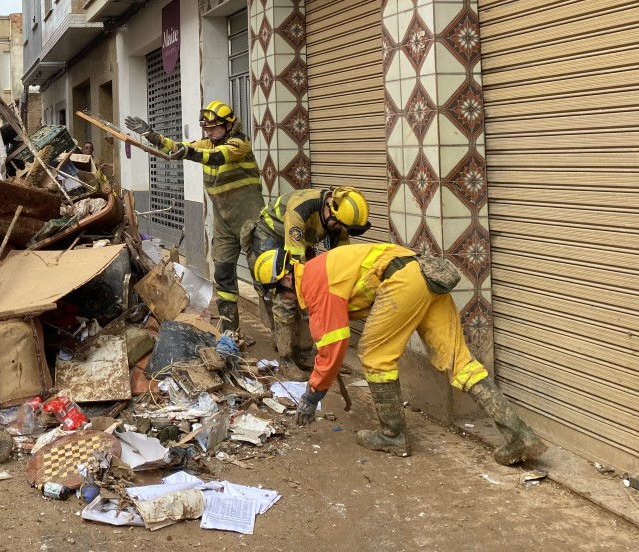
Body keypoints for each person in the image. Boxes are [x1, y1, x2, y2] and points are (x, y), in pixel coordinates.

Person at [270, 242, 545, 465]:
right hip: (425, 274)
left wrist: (312, 395)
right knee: (459, 362)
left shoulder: (315, 283)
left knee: (374, 355)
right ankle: (519, 435)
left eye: (278, 291)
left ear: (286, 277)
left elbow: (333, 347)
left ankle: (393, 435)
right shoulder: (321, 268)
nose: (283, 299)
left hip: (403, 279)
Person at [125, 101, 263, 332]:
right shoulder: (207, 142)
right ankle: (230, 331)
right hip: (224, 221)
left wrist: (188, 152)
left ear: (229, 125)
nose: (208, 132)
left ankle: (281, 335)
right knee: (224, 274)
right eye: (206, 128)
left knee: (263, 275)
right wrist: (151, 135)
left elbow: (216, 156)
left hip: (251, 221)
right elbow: (177, 146)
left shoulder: (240, 143)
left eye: (213, 128)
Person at [248, 186, 371, 377]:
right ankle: (286, 359)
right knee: (286, 294)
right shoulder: (301, 209)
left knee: (311, 295)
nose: (340, 231)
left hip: (300, 242)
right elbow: (297, 269)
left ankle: (305, 354)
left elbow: (339, 262)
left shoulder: (341, 222)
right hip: (271, 235)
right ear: (330, 210)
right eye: (338, 226)